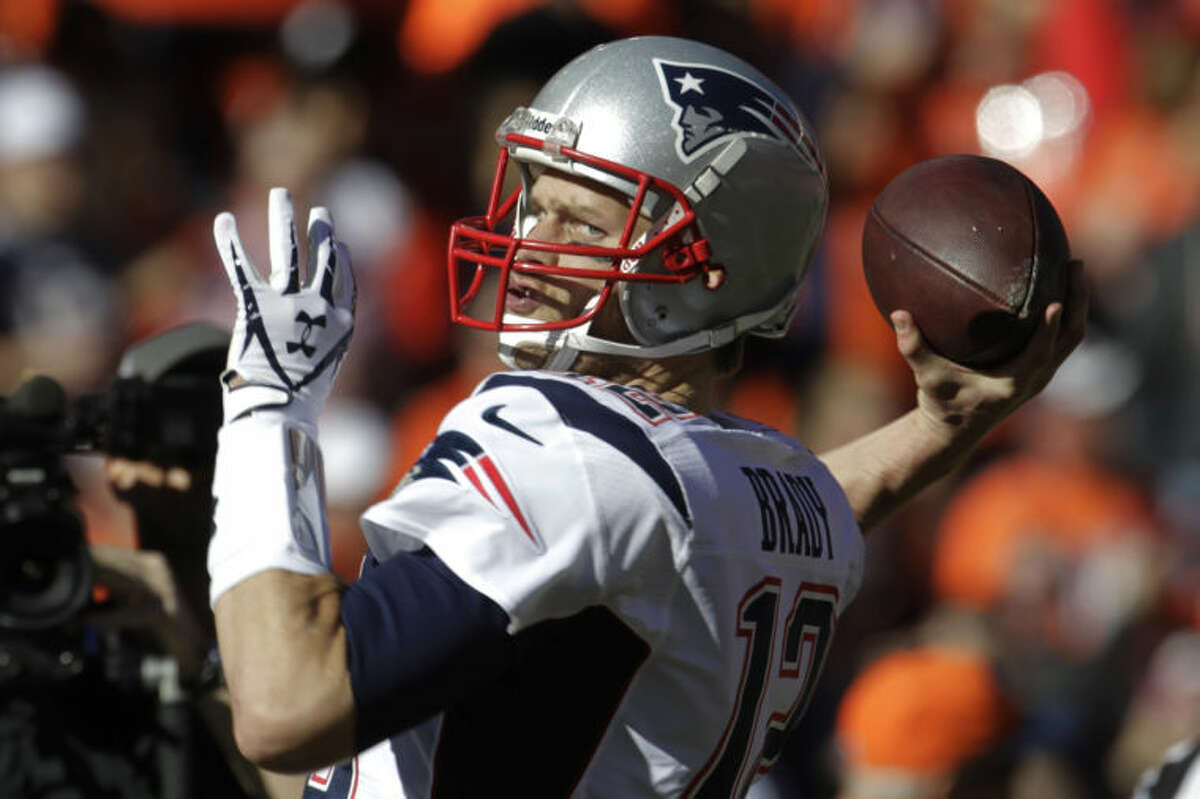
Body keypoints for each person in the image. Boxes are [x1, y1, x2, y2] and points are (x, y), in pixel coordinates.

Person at [204, 36, 1086, 797]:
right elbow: (808, 496)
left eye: (581, 223)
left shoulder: (565, 443)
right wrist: (945, 426)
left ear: (708, 273)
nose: (528, 243)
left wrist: (267, 407)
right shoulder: (765, 486)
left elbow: (286, 707)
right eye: (533, 202)